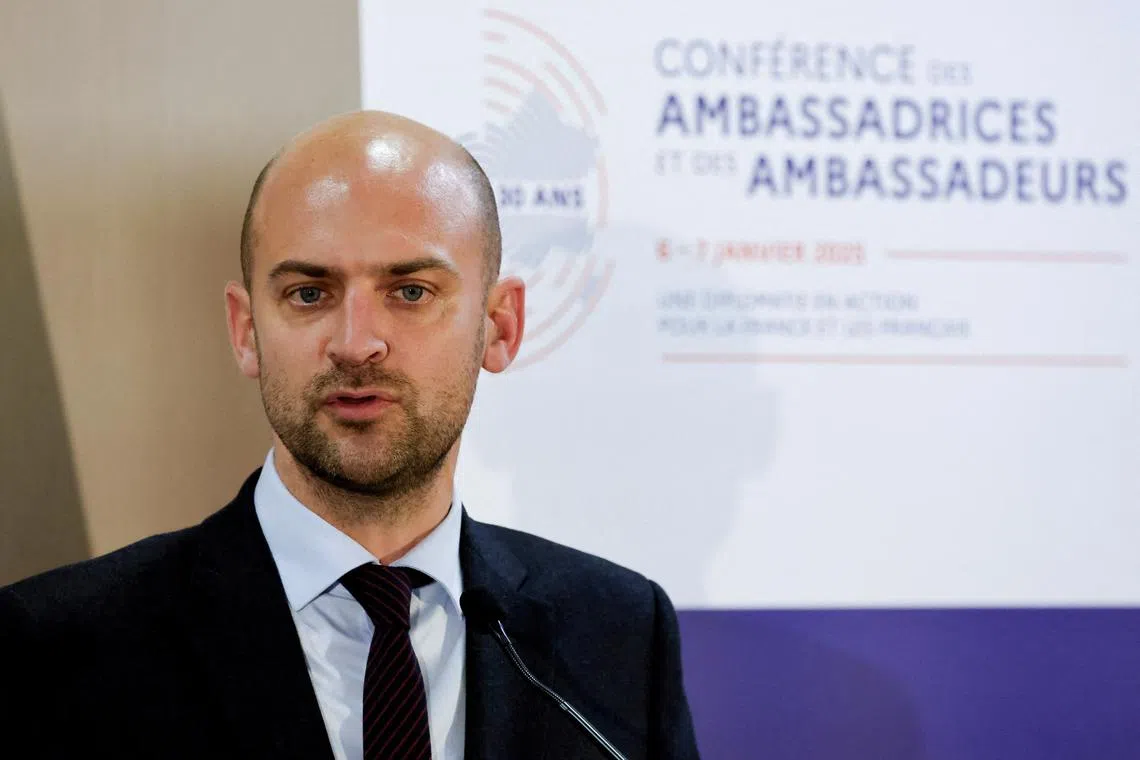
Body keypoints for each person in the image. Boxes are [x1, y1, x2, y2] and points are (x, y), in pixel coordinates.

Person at [0, 111, 699, 759]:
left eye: (410, 292)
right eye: (310, 293)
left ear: (500, 325)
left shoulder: (618, 634)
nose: (357, 343)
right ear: (246, 332)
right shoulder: (59, 646)